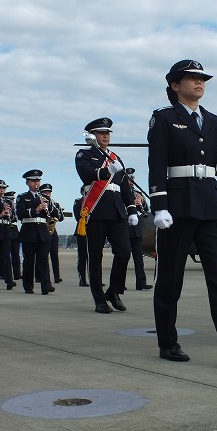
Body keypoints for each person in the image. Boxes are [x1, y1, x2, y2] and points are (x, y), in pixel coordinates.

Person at [147, 59, 217, 367]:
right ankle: (167, 342)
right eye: (192, 78)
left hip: (209, 205)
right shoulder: (164, 118)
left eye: (202, 79)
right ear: (174, 85)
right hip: (177, 207)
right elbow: (157, 164)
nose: (199, 83)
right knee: (170, 280)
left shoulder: (214, 121)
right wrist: (159, 206)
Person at [75, 117, 138, 313]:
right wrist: (106, 170)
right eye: (101, 132)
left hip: (117, 210)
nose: (105, 136)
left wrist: (132, 209)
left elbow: (124, 187)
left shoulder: (116, 158)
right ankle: (99, 299)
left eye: (108, 133)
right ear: (92, 136)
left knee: (124, 252)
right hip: (97, 211)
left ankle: (114, 291)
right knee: (95, 257)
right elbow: (86, 175)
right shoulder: (84, 154)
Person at [16, 169, 54, 295]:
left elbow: (54, 214)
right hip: (29, 231)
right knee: (29, 261)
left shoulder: (45, 197)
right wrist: (36, 209)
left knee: (43, 260)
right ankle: (28, 286)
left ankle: (46, 286)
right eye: (33, 181)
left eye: (37, 181)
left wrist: (48, 207)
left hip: (43, 231)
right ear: (27, 182)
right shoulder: (22, 197)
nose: (36, 183)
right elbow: (20, 214)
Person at [126, 168, 152, 290]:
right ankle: (119, 283)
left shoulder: (137, 193)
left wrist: (142, 201)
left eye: (132, 179)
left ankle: (141, 282)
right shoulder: (120, 192)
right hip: (124, 228)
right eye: (129, 179)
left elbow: (145, 211)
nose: (131, 181)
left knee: (139, 258)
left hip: (136, 229)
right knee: (123, 257)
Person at [39, 183, 64, 284]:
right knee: (43, 256)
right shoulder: (39, 203)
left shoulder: (55, 204)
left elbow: (61, 217)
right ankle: (39, 276)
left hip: (53, 231)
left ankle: (57, 276)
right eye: (45, 192)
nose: (47, 194)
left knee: (54, 255)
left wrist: (55, 215)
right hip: (42, 230)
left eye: (49, 192)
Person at [72, 186, 89, 287]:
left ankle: (96, 279)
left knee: (96, 256)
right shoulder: (78, 202)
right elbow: (77, 216)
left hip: (94, 231)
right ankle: (82, 279)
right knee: (83, 256)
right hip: (82, 231)